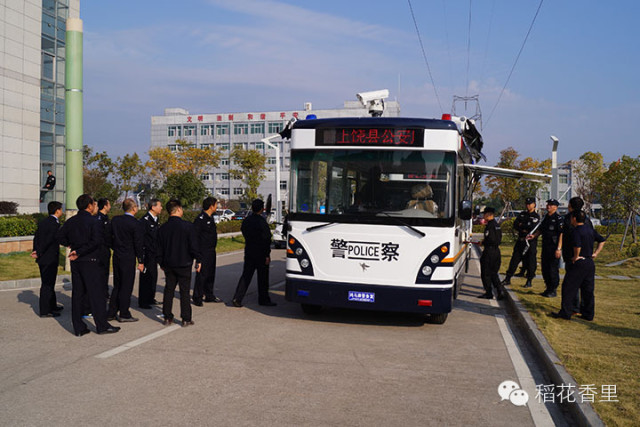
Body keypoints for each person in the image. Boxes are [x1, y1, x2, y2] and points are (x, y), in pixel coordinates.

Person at [57, 194, 120, 336]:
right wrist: (79, 251)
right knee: (96, 294)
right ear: (89, 206)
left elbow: (60, 237)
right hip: (90, 261)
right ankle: (102, 326)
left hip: (77, 262)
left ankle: (79, 328)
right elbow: (96, 241)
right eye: (94, 204)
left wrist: (72, 247)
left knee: (78, 294)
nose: (95, 207)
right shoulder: (94, 222)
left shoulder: (71, 221)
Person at [552, 210, 605, 320]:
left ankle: (565, 313)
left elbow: (577, 245)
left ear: (574, 219)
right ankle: (588, 314)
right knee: (588, 289)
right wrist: (595, 253)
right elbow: (602, 240)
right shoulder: (590, 230)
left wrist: (576, 256)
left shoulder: (576, 231)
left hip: (579, 263)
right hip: (589, 262)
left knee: (568, 287)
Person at [157, 199, 201, 327]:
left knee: (169, 290)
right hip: (184, 263)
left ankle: (167, 316)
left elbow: (159, 248)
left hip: (168, 264)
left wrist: (161, 263)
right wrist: (198, 259)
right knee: (184, 292)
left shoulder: (163, 228)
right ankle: (186, 318)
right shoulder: (188, 226)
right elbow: (193, 246)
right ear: (178, 209)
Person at [232, 199, 276, 307]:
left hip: (249, 251)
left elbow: (243, 231)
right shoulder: (262, 222)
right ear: (262, 209)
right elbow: (266, 240)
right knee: (263, 278)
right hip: (261, 253)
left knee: (246, 275)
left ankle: (237, 298)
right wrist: (267, 254)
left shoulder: (247, 220)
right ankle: (263, 299)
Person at [107, 198, 144, 322]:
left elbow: (109, 236)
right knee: (126, 286)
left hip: (117, 254)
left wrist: (115, 247)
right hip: (128, 256)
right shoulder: (135, 223)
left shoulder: (116, 220)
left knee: (117, 285)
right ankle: (124, 312)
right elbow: (138, 243)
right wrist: (141, 260)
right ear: (134, 208)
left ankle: (111, 312)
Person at [558, 196, 594, 313]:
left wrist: (571, 254)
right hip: (587, 257)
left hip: (573, 256)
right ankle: (586, 310)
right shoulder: (586, 219)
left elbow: (565, 236)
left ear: (570, 207)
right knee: (586, 286)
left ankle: (572, 308)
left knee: (570, 285)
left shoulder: (570, 219)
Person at [32, 201, 63, 317]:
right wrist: (39, 252)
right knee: (47, 284)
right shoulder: (53, 224)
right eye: (61, 209)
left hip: (44, 257)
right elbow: (48, 240)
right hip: (48, 258)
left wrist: (35, 250)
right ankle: (45, 311)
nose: (62, 211)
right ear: (57, 210)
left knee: (50, 282)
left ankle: (52, 305)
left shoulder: (44, 222)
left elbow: (36, 237)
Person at [527, 199, 563, 297]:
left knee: (552, 269)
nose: (548, 207)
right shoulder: (546, 218)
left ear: (556, 207)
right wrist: (534, 236)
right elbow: (541, 230)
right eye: (548, 205)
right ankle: (547, 288)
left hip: (553, 247)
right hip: (545, 246)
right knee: (545, 269)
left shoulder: (558, 219)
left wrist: (559, 248)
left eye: (551, 205)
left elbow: (561, 234)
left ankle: (553, 289)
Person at [501, 197, 540, 288]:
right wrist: (524, 226)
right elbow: (516, 225)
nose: (528, 205)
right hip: (520, 240)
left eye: (530, 204)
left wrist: (523, 225)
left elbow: (532, 227)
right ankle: (507, 278)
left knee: (530, 261)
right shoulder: (522, 214)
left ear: (534, 204)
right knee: (514, 260)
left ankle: (529, 280)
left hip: (530, 242)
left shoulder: (536, 216)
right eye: (527, 204)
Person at [192, 196, 222, 306]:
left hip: (211, 250)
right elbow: (195, 238)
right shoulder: (200, 219)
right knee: (202, 275)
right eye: (215, 204)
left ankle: (209, 295)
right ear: (211, 206)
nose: (216, 206)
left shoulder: (210, 218)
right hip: (203, 251)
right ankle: (197, 297)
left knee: (210, 274)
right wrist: (197, 255)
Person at [138, 198, 162, 309]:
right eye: (159, 206)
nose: (161, 208)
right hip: (147, 253)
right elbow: (142, 240)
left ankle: (150, 297)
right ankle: (143, 301)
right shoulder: (145, 221)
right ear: (153, 207)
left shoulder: (156, 219)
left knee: (153, 276)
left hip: (154, 253)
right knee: (146, 278)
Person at [477, 207, 504, 300]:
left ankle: (489, 292)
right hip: (496, 252)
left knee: (486, 273)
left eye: (484, 214)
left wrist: (483, 242)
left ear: (489, 214)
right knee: (493, 273)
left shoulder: (490, 226)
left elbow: (491, 239)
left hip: (489, 252)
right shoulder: (497, 225)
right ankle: (500, 290)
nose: (483, 216)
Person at [97, 198, 112, 299]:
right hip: (100, 250)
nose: (110, 206)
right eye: (109, 204)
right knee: (100, 273)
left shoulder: (106, 218)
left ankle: (105, 292)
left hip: (106, 249)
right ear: (105, 206)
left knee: (106, 272)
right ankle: (100, 292)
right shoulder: (98, 218)